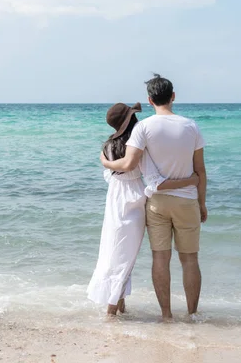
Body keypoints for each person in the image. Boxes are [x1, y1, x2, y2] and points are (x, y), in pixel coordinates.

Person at [101, 74, 207, 321]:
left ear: (150, 100)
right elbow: (200, 170)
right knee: (190, 259)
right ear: (173, 96)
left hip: (157, 203)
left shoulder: (143, 127)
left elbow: (128, 163)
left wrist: (105, 161)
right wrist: (202, 202)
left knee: (161, 257)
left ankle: (167, 316)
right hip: (187, 200)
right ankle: (192, 315)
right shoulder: (191, 126)